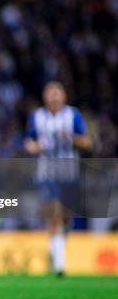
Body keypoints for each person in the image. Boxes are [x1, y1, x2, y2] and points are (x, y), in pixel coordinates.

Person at [24, 81, 92, 276]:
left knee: (65, 218)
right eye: (50, 92)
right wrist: (36, 147)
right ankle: (60, 265)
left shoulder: (73, 115)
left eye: (57, 92)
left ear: (64, 96)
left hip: (69, 171)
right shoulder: (37, 116)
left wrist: (72, 138)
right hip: (47, 172)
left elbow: (88, 142)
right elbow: (29, 142)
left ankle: (55, 247)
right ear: (45, 96)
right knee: (54, 215)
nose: (53, 96)